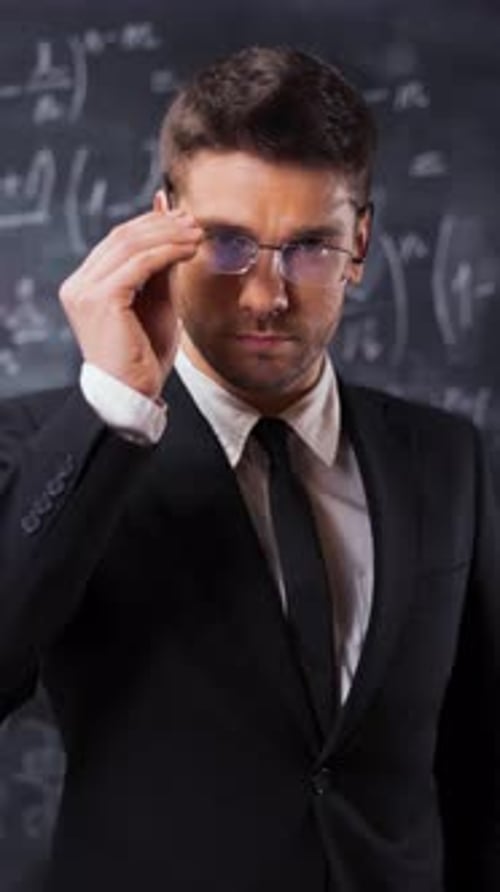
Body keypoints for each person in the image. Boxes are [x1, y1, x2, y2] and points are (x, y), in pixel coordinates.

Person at [0, 45, 498, 892]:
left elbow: (480, 749)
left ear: (362, 241)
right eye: (227, 244)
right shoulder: (53, 442)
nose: (267, 294)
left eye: (309, 248)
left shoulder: (447, 456)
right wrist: (114, 410)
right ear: (163, 224)